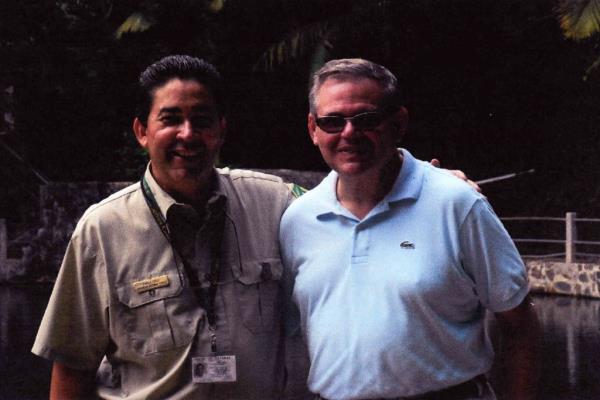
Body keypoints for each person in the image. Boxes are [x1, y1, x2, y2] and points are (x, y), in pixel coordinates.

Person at [32, 55, 303, 400]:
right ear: (142, 131)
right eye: (171, 119)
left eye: (201, 121)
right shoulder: (102, 230)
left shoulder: (274, 205)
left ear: (221, 130)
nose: (187, 134)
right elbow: (72, 366)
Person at [279, 59, 540, 400]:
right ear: (313, 129)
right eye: (332, 121)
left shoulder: (457, 203)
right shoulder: (298, 220)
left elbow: (520, 327)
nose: (348, 133)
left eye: (366, 119)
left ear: (398, 123)